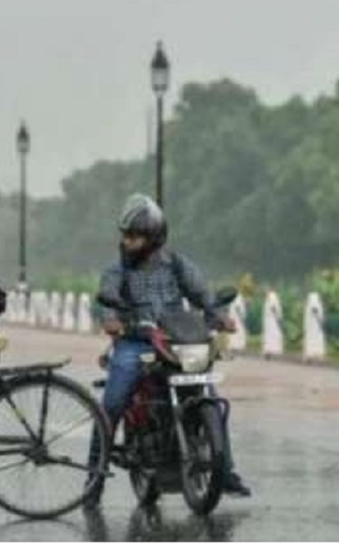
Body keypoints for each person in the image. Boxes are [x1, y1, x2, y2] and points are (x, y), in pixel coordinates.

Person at [85, 193, 251, 508]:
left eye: (134, 236)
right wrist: (111, 319)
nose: (127, 241)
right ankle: (94, 476)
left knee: (209, 395)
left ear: (153, 237)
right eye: (125, 235)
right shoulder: (118, 269)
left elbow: (203, 294)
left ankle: (224, 471)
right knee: (113, 403)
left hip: (176, 342)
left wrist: (218, 316)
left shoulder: (176, 264)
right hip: (135, 342)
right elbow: (106, 295)